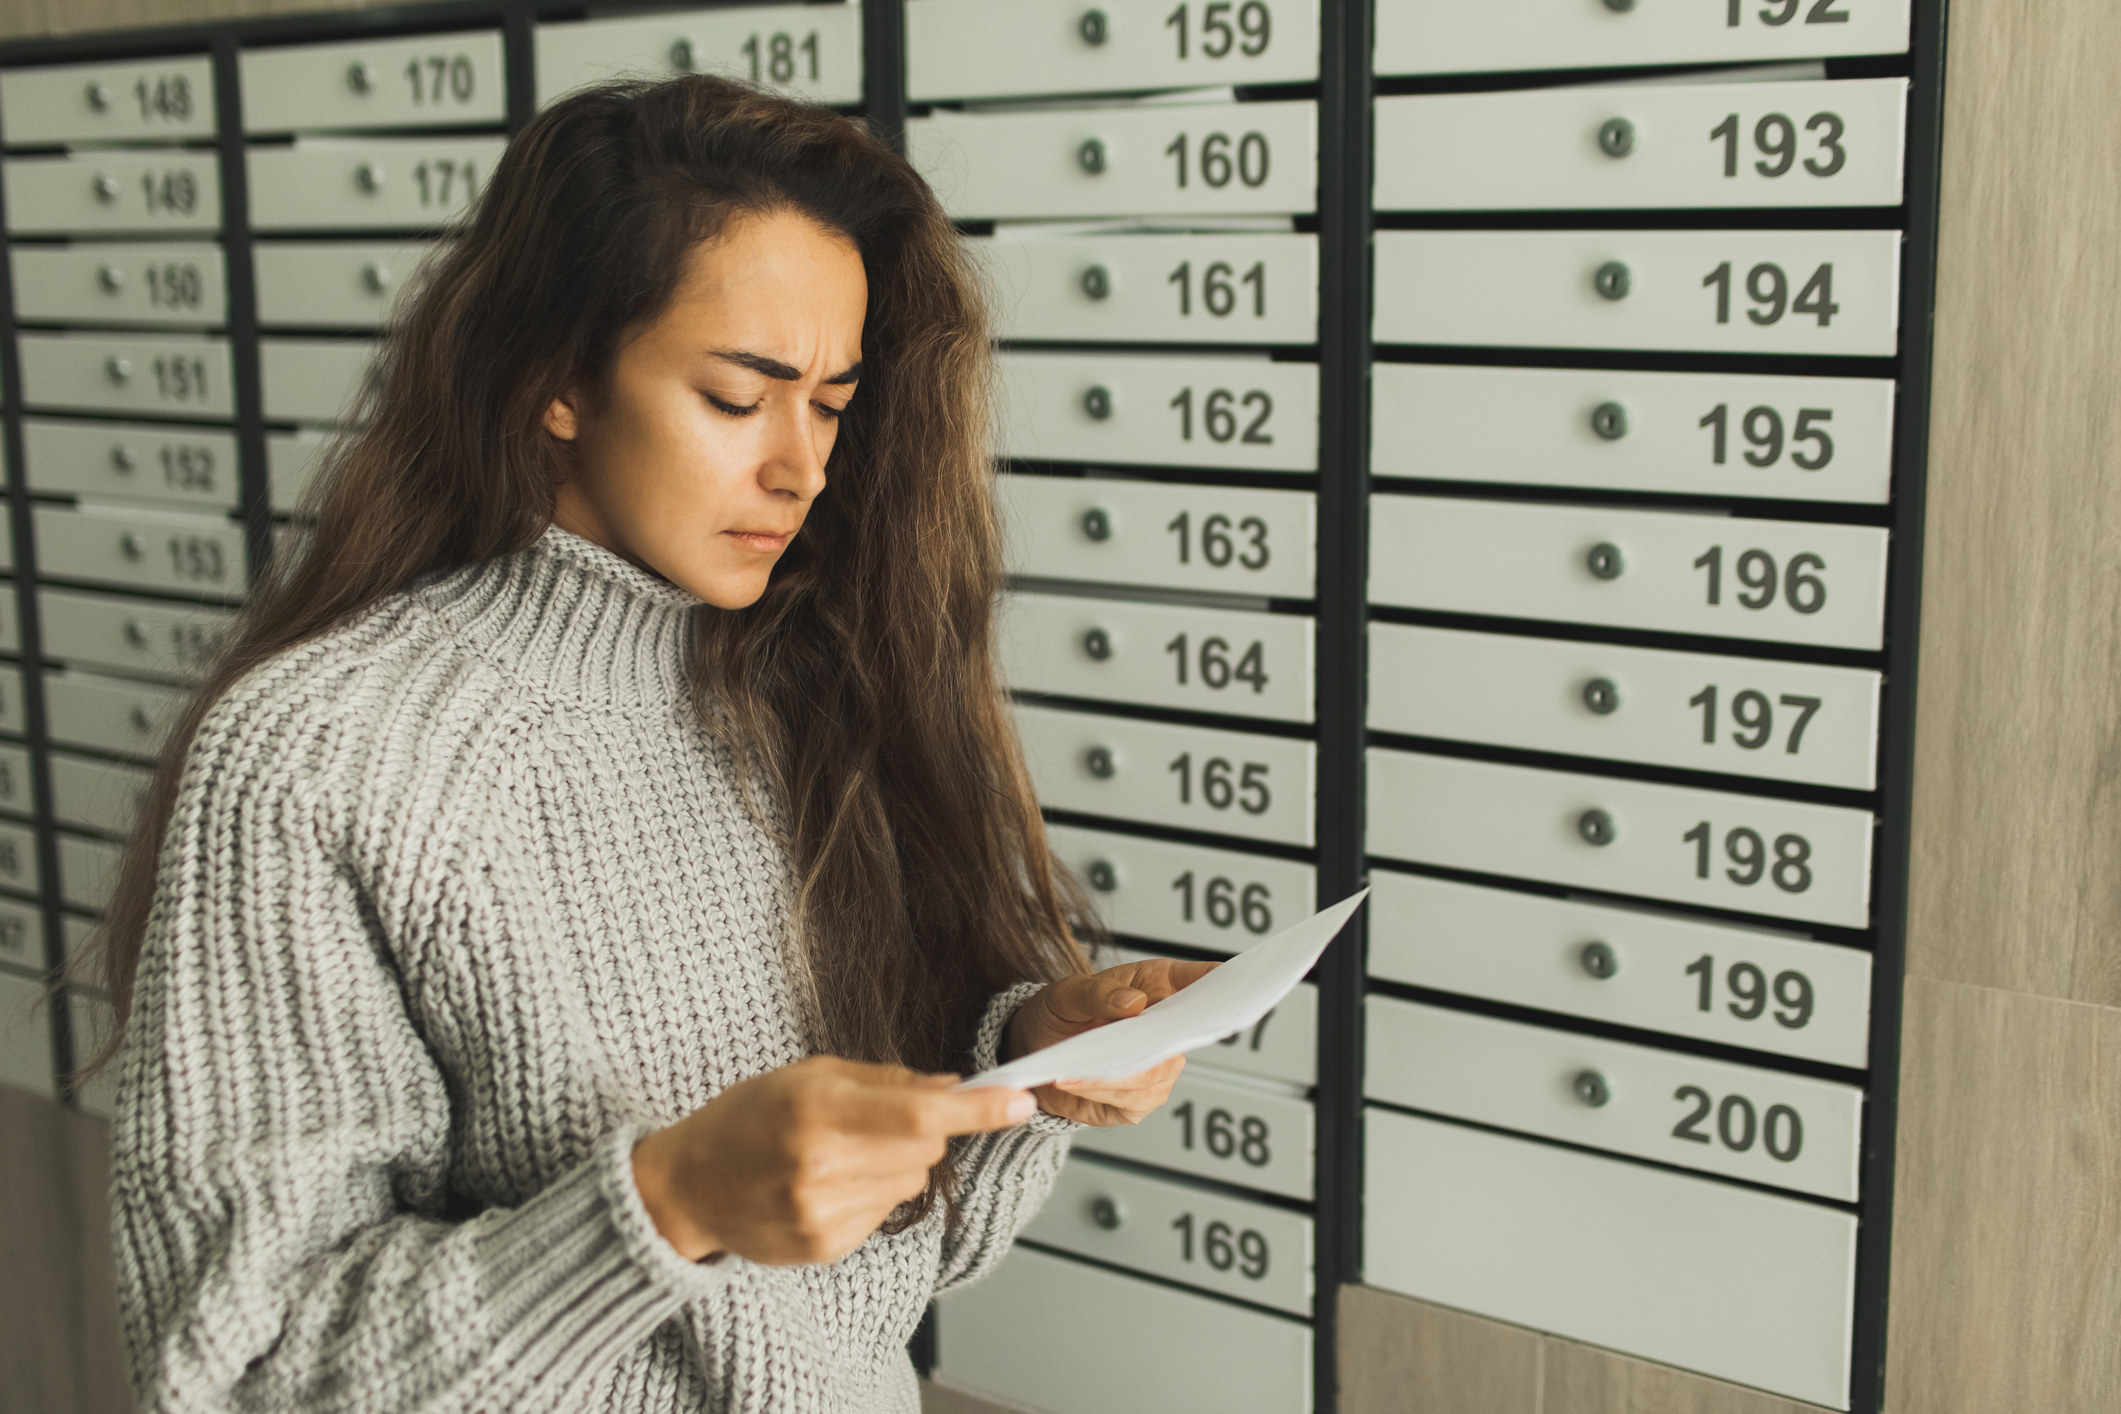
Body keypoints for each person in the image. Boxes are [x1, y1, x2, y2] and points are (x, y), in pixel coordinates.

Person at [89, 75, 1208, 1412]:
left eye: (833, 405)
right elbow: (246, 1371)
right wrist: (669, 1200)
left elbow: (876, 1284)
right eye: (742, 398)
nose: (802, 467)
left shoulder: (800, 692)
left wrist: (1025, 1059)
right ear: (559, 377)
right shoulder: (318, 752)